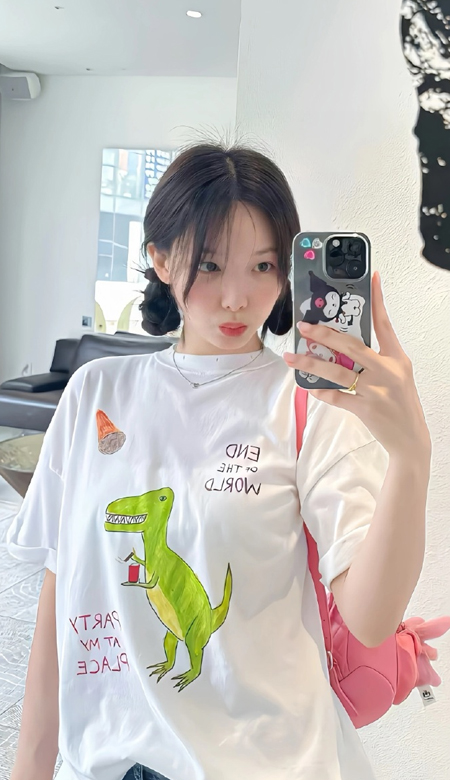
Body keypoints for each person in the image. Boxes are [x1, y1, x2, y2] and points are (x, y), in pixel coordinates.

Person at [7, 142, 431, 780]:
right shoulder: (97, 392)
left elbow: (370, 620)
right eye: (208, 265)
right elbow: (60, 589)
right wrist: (30, 767)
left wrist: (411, 456)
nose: (237, 297)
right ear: (160, 258)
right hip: (104, 764)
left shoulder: (306, 404)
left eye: (263, 266)